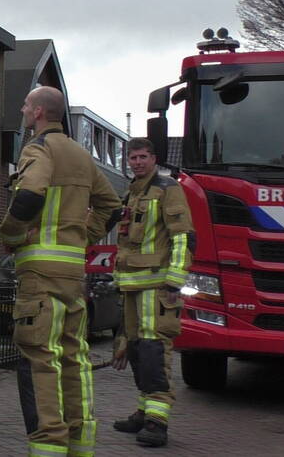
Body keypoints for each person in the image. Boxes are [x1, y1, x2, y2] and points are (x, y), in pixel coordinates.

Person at [0, 86, 120, 457]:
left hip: (40, 272)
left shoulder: (38, 149)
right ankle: (80, 443)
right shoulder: (82, 156)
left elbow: (31, 193)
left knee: (40, 357)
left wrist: (12, 235)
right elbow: (112, 205)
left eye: (24, 104)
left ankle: (48, 444)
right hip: (71, 271)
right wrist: (84, 236)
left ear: (37, 112)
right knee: (74, 356)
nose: (21, 109)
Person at [110, 138, 194, 448]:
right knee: (135, 351)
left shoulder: (166, 188)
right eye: (132, 157)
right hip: (132, 286)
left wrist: (174, 281)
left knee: (154, 350)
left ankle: (158, 423)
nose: (137, 162)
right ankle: (145, 411)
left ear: (154, 158)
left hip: (156, 288)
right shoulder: (133, 192)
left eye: (143, 157)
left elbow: (183, 235)